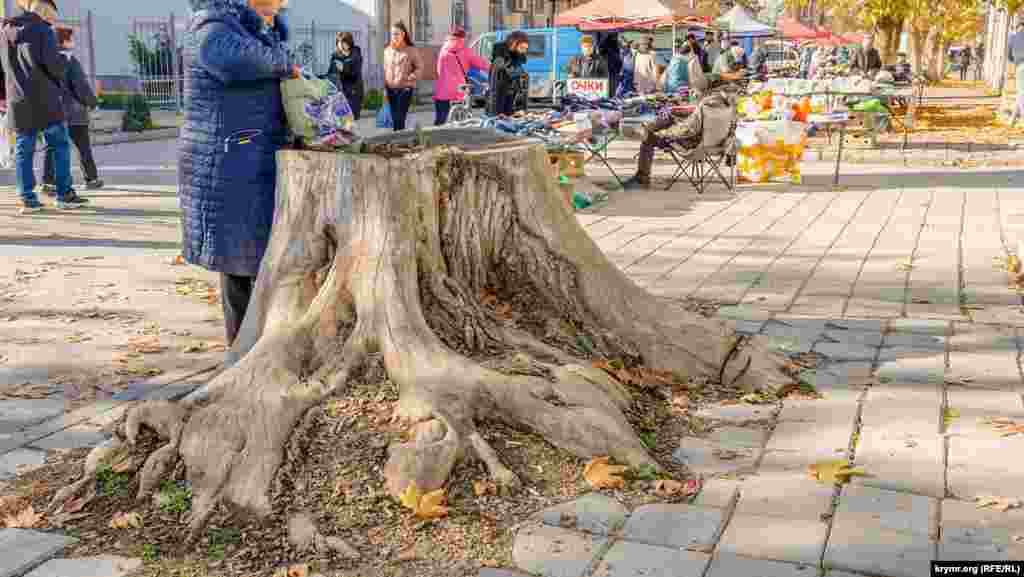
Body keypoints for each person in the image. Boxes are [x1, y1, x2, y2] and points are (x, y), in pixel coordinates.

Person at [178, 0, 299, 347]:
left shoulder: (250, 29)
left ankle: (257, 347)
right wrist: (283, 62)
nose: (282, 3)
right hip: (226, 162)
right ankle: (242, 352)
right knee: (239, 260)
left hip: (250, 157)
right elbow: (230, 60)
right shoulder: (212, 25)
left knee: (255, 258)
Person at [1, 0, 88, 214]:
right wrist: (65, 59)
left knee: (23, 149)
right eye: (52, 13)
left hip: (18, 100)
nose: (52, 18)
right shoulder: (43, 30)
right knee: (59, 144)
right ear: (43, 8)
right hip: (45, 100)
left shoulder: (5, 32)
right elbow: (54, 67)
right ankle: (64, 194)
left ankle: (27, 199)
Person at [623, 90, 738, 189]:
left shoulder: (703, 108)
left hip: (693, 147)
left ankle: (642, 178)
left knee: (649, 137)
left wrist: (666, 133)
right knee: (669, 119)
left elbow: (687, 131)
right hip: (718, 146)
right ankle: (649, 129)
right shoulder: (728, 109)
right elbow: (731, 131)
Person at [42, 26, 101, 194]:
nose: (72, 42)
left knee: (51, 147)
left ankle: (48, 182)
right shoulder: (69, 60)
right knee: (83, 146)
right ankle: (91, 178)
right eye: (70, 39)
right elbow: (80, 85)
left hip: (52, 111)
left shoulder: (46, 60)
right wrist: (92, 102)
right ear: (64, 41)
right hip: (74, 112)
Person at [433, 27, 488, 125]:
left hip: (442, 92)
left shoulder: (443, 49)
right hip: (459, 92)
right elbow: (482, 64)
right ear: (463, 38)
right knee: (460, 123)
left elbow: (439, 70)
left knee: (440, 121)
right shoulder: (465, 51)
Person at [383, 21, 421, 131]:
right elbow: (385, 69)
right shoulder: (387, 51)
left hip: (405, 88)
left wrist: (413, 76)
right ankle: (398, 138)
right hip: (391, 89)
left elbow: (419, 67)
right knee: (395, 118)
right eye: (392, 34)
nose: (394, 36)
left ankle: (399, 137)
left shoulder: (411, 50)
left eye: (396, 34)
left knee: (400, 117)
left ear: (403, 34)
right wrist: (385, 87)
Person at [487, 30, 529, 116]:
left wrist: (521, 108)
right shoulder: (500, 62)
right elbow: (494, 89)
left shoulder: (515, 61)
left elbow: (520, 88)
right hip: (501, 110)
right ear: (513, 44)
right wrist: (495, 113)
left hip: (511, 108)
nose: (524, 51)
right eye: (522, 48)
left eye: (526, 49)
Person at [326, 32, 364, 120]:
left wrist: (343, 69)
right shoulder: (335, 56)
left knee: (351, 118)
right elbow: (331, 73)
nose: (342, 45)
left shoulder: (356, 55)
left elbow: (355, 74)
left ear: (349, 43)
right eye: (339, 42)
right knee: (340, 120)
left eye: (344, 42)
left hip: (353, 92)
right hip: (339, 93)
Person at [600, 33, 622, 97]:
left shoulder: (610, 42)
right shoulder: (608, 42)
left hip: (612, 67)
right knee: (611, 84)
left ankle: (611, 95)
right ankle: (611, 95)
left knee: (612, 84)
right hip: (610, 66)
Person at [1010, 21, 1024, 126]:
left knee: (1021, 92)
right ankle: (1013, 119)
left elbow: (1009, 55)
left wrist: (1016, 60)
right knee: (1021, 92)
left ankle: (1015, 118)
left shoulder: (1013, 37)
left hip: (1020, 65)